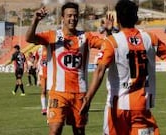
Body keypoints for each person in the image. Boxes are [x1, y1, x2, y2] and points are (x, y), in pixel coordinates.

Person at [80, 0, 166, 135]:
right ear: (136, 17)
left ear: (118, 20)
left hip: (117, 109)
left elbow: (99, 70)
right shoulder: (150, 39)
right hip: (141, 108)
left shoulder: (111, 42)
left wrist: (88, 99)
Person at [26, 2, 108, 135]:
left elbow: (107, 45)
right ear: (62, 18)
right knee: (55, 130)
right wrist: (35, 20)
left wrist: (109, 32)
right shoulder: (52, 36)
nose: (73, 19)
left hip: (80, 94)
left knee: (79, 131)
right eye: (69, 15)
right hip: (58, 93)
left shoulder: (85, 37)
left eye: (75, 16)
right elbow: (29, 38)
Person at [35, 45, 48, 115]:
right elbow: (37, 59)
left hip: (52, 73)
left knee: (52, 91)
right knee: (43, 90)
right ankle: (44, 108)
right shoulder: (39, 49)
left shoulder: (52, 47)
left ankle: (51, 107)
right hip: (42, 73)